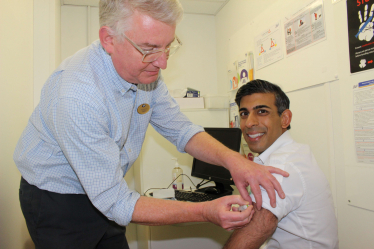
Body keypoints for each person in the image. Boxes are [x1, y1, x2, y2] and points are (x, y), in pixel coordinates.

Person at [14, 1, 288, 248]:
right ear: (109, 39)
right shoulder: (76, 96)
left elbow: (179, 128)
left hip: (107, 189)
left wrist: (233, 160)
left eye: (168, 46)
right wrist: (205, 212)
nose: (164, 62)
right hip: (58, 199)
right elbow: (116, 202)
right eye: (150, 49)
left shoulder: (147, 70)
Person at [223, 79, 338, 249]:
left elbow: (248, 237)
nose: (249, 123)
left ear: (285, 119)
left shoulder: (282, 166)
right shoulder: (288, 154)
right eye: (244, 113)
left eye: (261, 111)